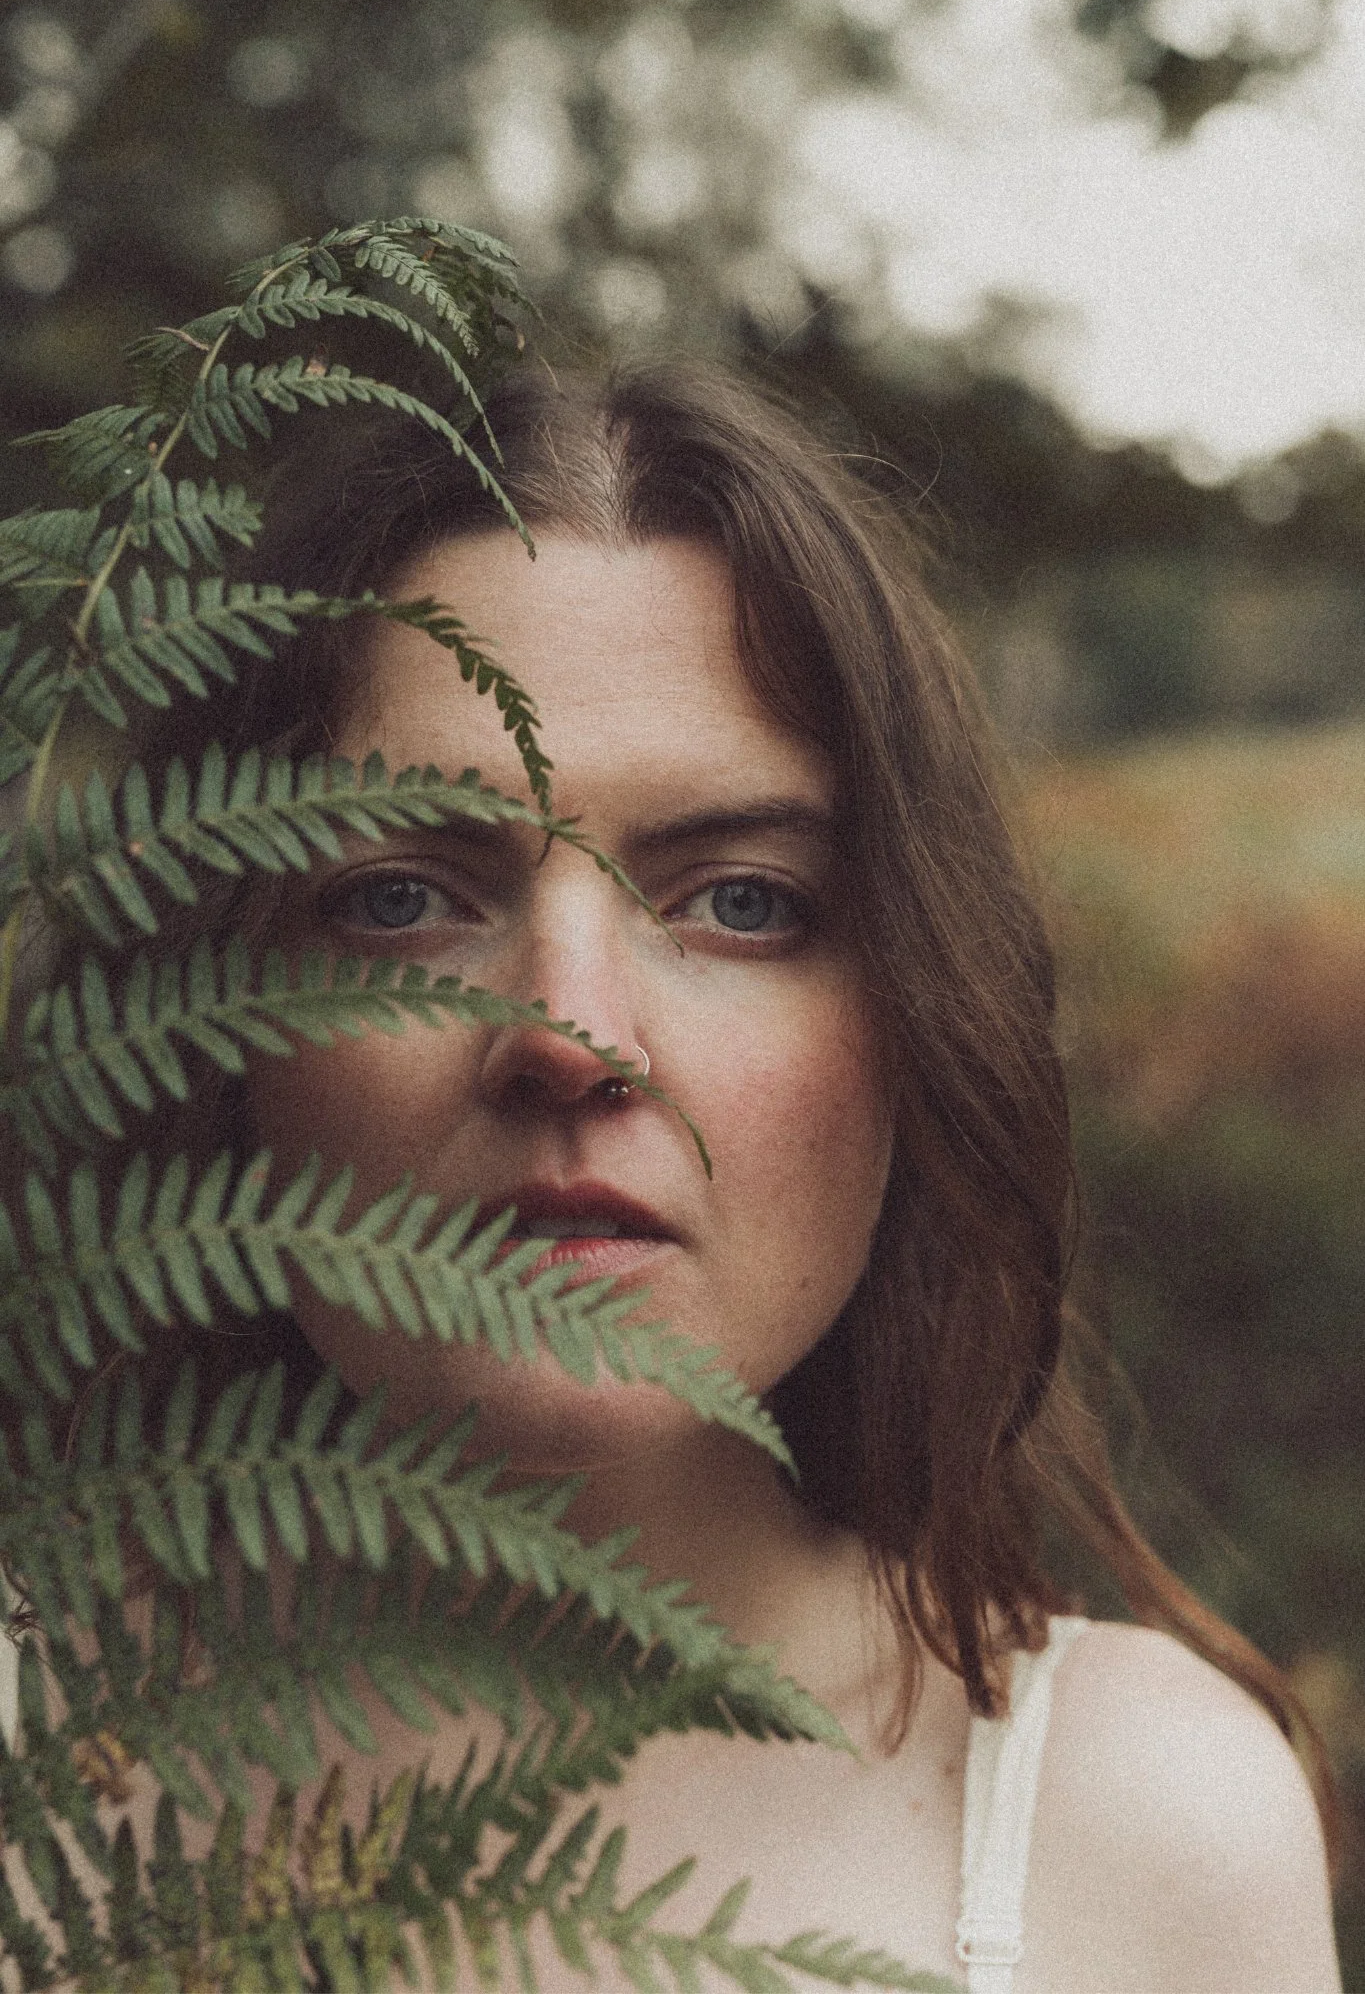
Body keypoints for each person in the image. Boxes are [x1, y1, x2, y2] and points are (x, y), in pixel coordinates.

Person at [16, 362, 1344, 1992]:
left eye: (742, 903)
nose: (572, 1036)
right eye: (399, 900)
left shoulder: (1138, 1833)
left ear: (921, 1018)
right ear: (206, 1022)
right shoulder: (33, 1756)